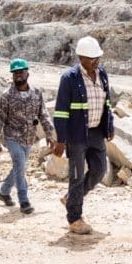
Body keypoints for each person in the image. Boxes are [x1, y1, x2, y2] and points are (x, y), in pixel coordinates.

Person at [53, 36, 114, 235]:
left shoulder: (102, 74)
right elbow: (61, 111)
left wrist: (110, 125)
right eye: (91, 58)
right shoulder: (69, 78)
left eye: (97, 57)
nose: (96, 61)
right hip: (76, 134)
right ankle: (75, 218)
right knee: (77, 176)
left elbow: (107, 103)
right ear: (80, 57)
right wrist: (61, 140)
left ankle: (71, 198)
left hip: (96, 131)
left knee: (99, 170)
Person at [0, 58, 55, 214]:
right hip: (12, 137)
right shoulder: (7, 95)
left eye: (20, 72)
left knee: (18, 167)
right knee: (20, 166)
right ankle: (24, 201)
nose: (18, 75)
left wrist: (49, 133)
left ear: (27, 73)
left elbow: (43, 114)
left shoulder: (36, 93)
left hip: (29, 138)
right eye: (15, 73)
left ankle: (4, 192)